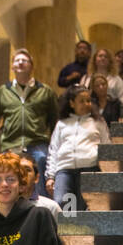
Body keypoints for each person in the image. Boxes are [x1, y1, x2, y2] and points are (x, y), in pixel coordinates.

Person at [0, 49, 58, 200]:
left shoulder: (45, 91)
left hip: (37, 143)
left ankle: (41, 208)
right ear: (13, 67)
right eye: (17, 61)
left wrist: (56, 147)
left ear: (32, 66)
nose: (20, 62)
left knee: (41, 160)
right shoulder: (3, 91)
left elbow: (55, 123)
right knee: (5, 173)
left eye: (25, 60)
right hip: (11, 145)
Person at [46, 84, 110, 213]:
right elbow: (54, 150)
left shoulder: (98, 122)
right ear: (71, 103)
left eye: (88, 100)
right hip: (65, 170)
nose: (86, 104)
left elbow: (107, 146)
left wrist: (106, 172)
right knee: (62, 204)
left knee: (82, 209)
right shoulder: (62, 123)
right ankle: (67, 233)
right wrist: (50, 176)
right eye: (81, 101)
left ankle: (81, 233)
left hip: (89, 169)